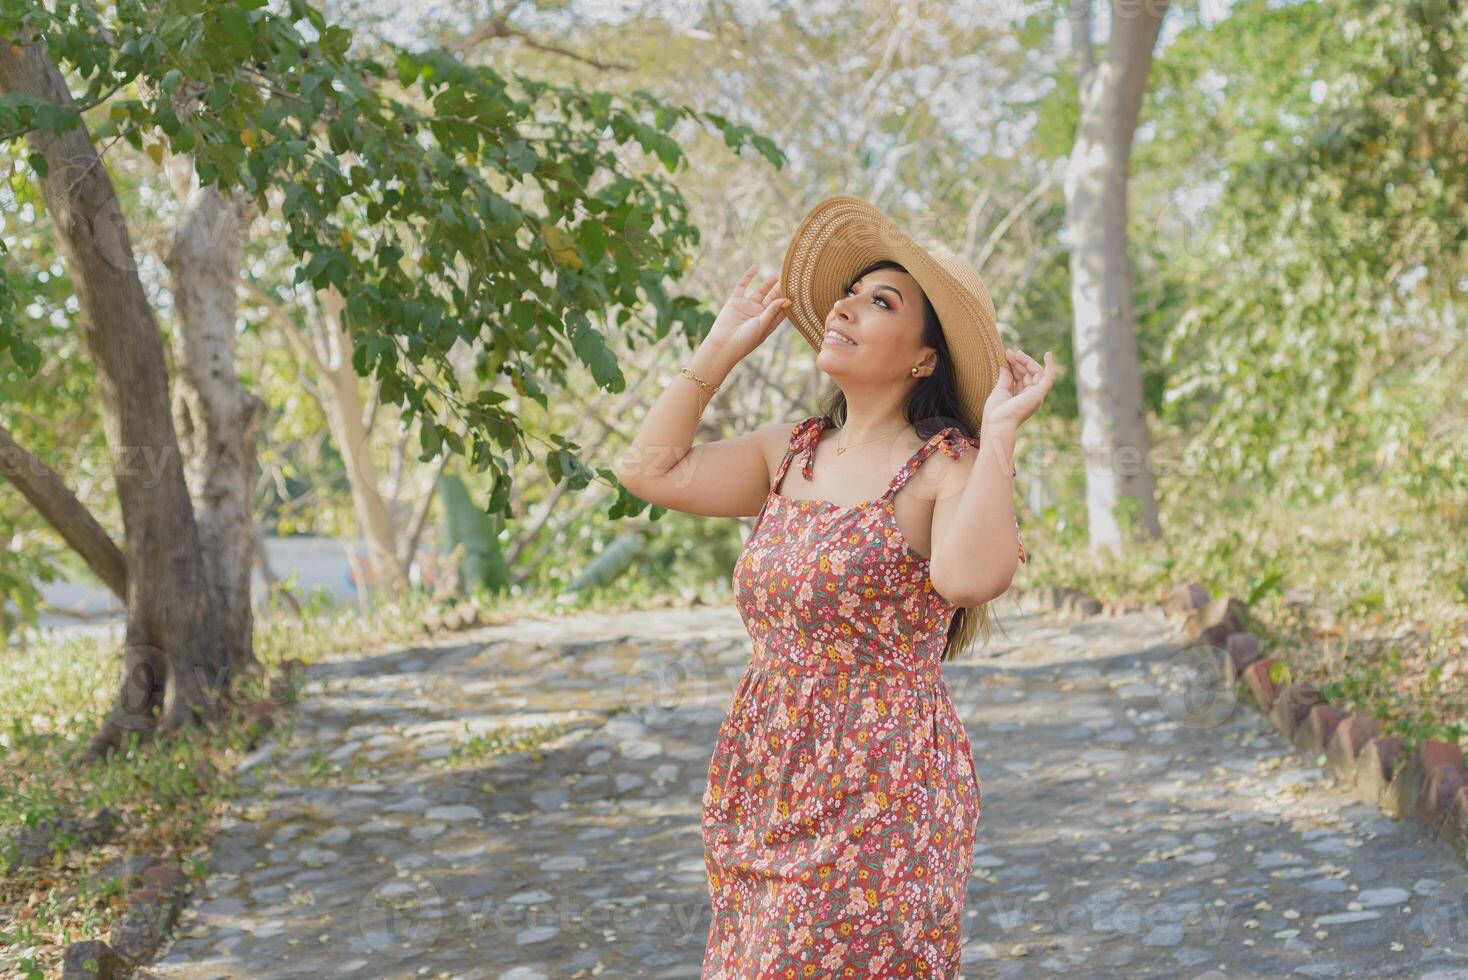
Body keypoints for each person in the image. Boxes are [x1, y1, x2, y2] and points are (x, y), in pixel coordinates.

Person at [615, 195, 1055, 977]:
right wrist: (719, 349)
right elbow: (649, 471)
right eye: (851, 293)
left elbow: (968, 576)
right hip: (766, 771)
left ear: (925, 357)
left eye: (881, 301)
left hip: (883, 787)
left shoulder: (943, 464)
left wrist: (1001, 438)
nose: (848, 305)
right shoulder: (789, 452)